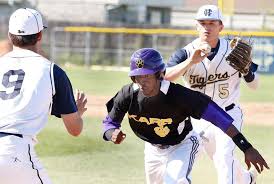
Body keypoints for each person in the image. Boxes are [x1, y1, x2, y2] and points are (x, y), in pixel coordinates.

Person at [102, 48, 268, 184]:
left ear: (160, 74)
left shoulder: (180, 96)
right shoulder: (128, 94)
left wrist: (247, 148)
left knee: (174, 181)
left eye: (147, 75)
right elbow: (109, 123)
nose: (141, 81)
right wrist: (111, 134)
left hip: (182, 144)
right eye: (138, 76)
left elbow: (219, 119)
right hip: (152, 149)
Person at [165, 4, 261, 184]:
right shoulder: (185, 53)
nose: (207, 27)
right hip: (199, 117)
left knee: (224, 157)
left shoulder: (234, 50)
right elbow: (165, 78)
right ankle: (247, 180)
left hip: (229, 111)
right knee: (220, 159)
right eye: (202, 23)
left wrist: (247, 70)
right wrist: (189, 62)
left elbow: (255, 85)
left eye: (212, 23)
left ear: (220, 26)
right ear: (196, 26)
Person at [0, 8, 87, 184]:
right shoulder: (52, 71)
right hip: (14, 152)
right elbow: (75, 129)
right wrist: (76, 112)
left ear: (10, 36)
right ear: (40, 35)